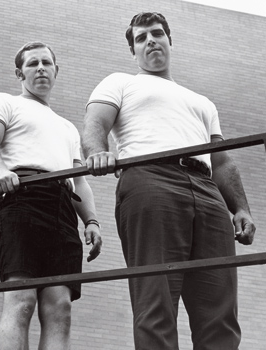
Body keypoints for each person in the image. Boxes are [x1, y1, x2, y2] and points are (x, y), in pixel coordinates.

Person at [82, 12, 256, 350]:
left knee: (219, 306)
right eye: (141, 37)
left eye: (157, 33)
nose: (150, 41)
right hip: (150, 179)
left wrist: (241, 208)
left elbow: (221, 160)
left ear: (169, 40)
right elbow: (95, 125)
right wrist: (96, 152)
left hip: (207, 190)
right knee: (156, 301)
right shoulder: (120, 82)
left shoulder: (203, 102)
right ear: (133, 49)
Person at [0, 42, 103, 350]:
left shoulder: (67, 128)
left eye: (47, 62)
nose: (41, 68)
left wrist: (91, 220)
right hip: (21, 196)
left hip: (61, 205)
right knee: (21, 299)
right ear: (20, 72)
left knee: (60, 307)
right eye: (33, 63)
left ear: (56, 70)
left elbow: (79, 180)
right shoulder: (4, 102)